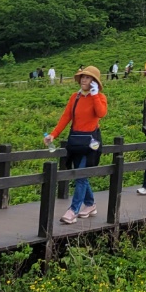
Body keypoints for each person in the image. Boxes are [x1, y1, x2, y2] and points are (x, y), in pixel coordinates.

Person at [45, 66, 108, 224]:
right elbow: (66, 117)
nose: (84, 80)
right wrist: (53, 134)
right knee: (80, 174)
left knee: (81, 174)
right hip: (77, 140)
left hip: (92, 142)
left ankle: (73, 210)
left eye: (88, 77)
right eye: (82, 77)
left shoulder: (100, 97)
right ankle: (90, 204)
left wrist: (94, 95)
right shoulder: (75, 97)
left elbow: (101, 113)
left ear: (94, 81)